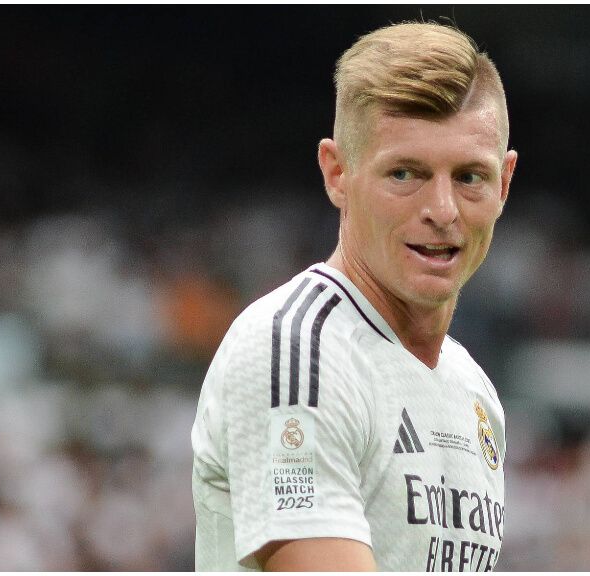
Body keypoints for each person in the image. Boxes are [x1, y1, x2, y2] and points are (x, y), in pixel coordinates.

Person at [191, 21, 517, 571]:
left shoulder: (473, 391)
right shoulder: (300, 351)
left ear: (504, 184)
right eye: (406, 173)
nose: (443, 209)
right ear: (337, 173)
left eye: (469, 177)